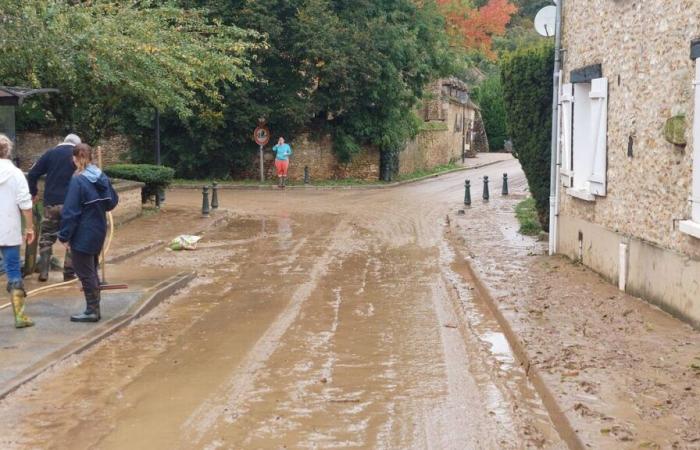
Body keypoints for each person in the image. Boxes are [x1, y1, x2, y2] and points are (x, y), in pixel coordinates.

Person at [58, 144, 118, 323]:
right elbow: (112, 202)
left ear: (75, 159)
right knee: (91, 268)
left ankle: (92, 310)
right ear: (90, 157)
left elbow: (71, 211)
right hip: (99, 229)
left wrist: (64, 235)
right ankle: (94, 307)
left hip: (83, 232)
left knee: (85, 271)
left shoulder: (78, 180)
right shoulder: (100, 176)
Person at [27, 134, 81, 282]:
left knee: (46, 238)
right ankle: (69, 273)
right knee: (73, 237)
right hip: (72, 205)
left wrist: (33, 192)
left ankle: (44, 272)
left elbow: (32, 174)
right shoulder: (78, 154)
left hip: (51, 204)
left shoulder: (50, 153)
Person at [0, 134, 36, 328]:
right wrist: (29, 227)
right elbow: (25, 204)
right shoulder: (16, 174)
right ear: (8, 151)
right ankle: (20, 317)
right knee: (14, 272)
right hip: (8, 230)